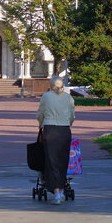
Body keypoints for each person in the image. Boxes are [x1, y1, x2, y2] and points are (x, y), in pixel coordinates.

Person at [36, 76, 75, 205]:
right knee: (63, 160)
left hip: (50, 130)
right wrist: (66, 124)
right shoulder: (68, 98)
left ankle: (56, 190)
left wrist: (41, 124)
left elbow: (40, 114)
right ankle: (62, 189)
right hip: (64, 131)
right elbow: (72, 116)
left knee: (51, 161)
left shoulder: (46, 97)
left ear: (51, 85)